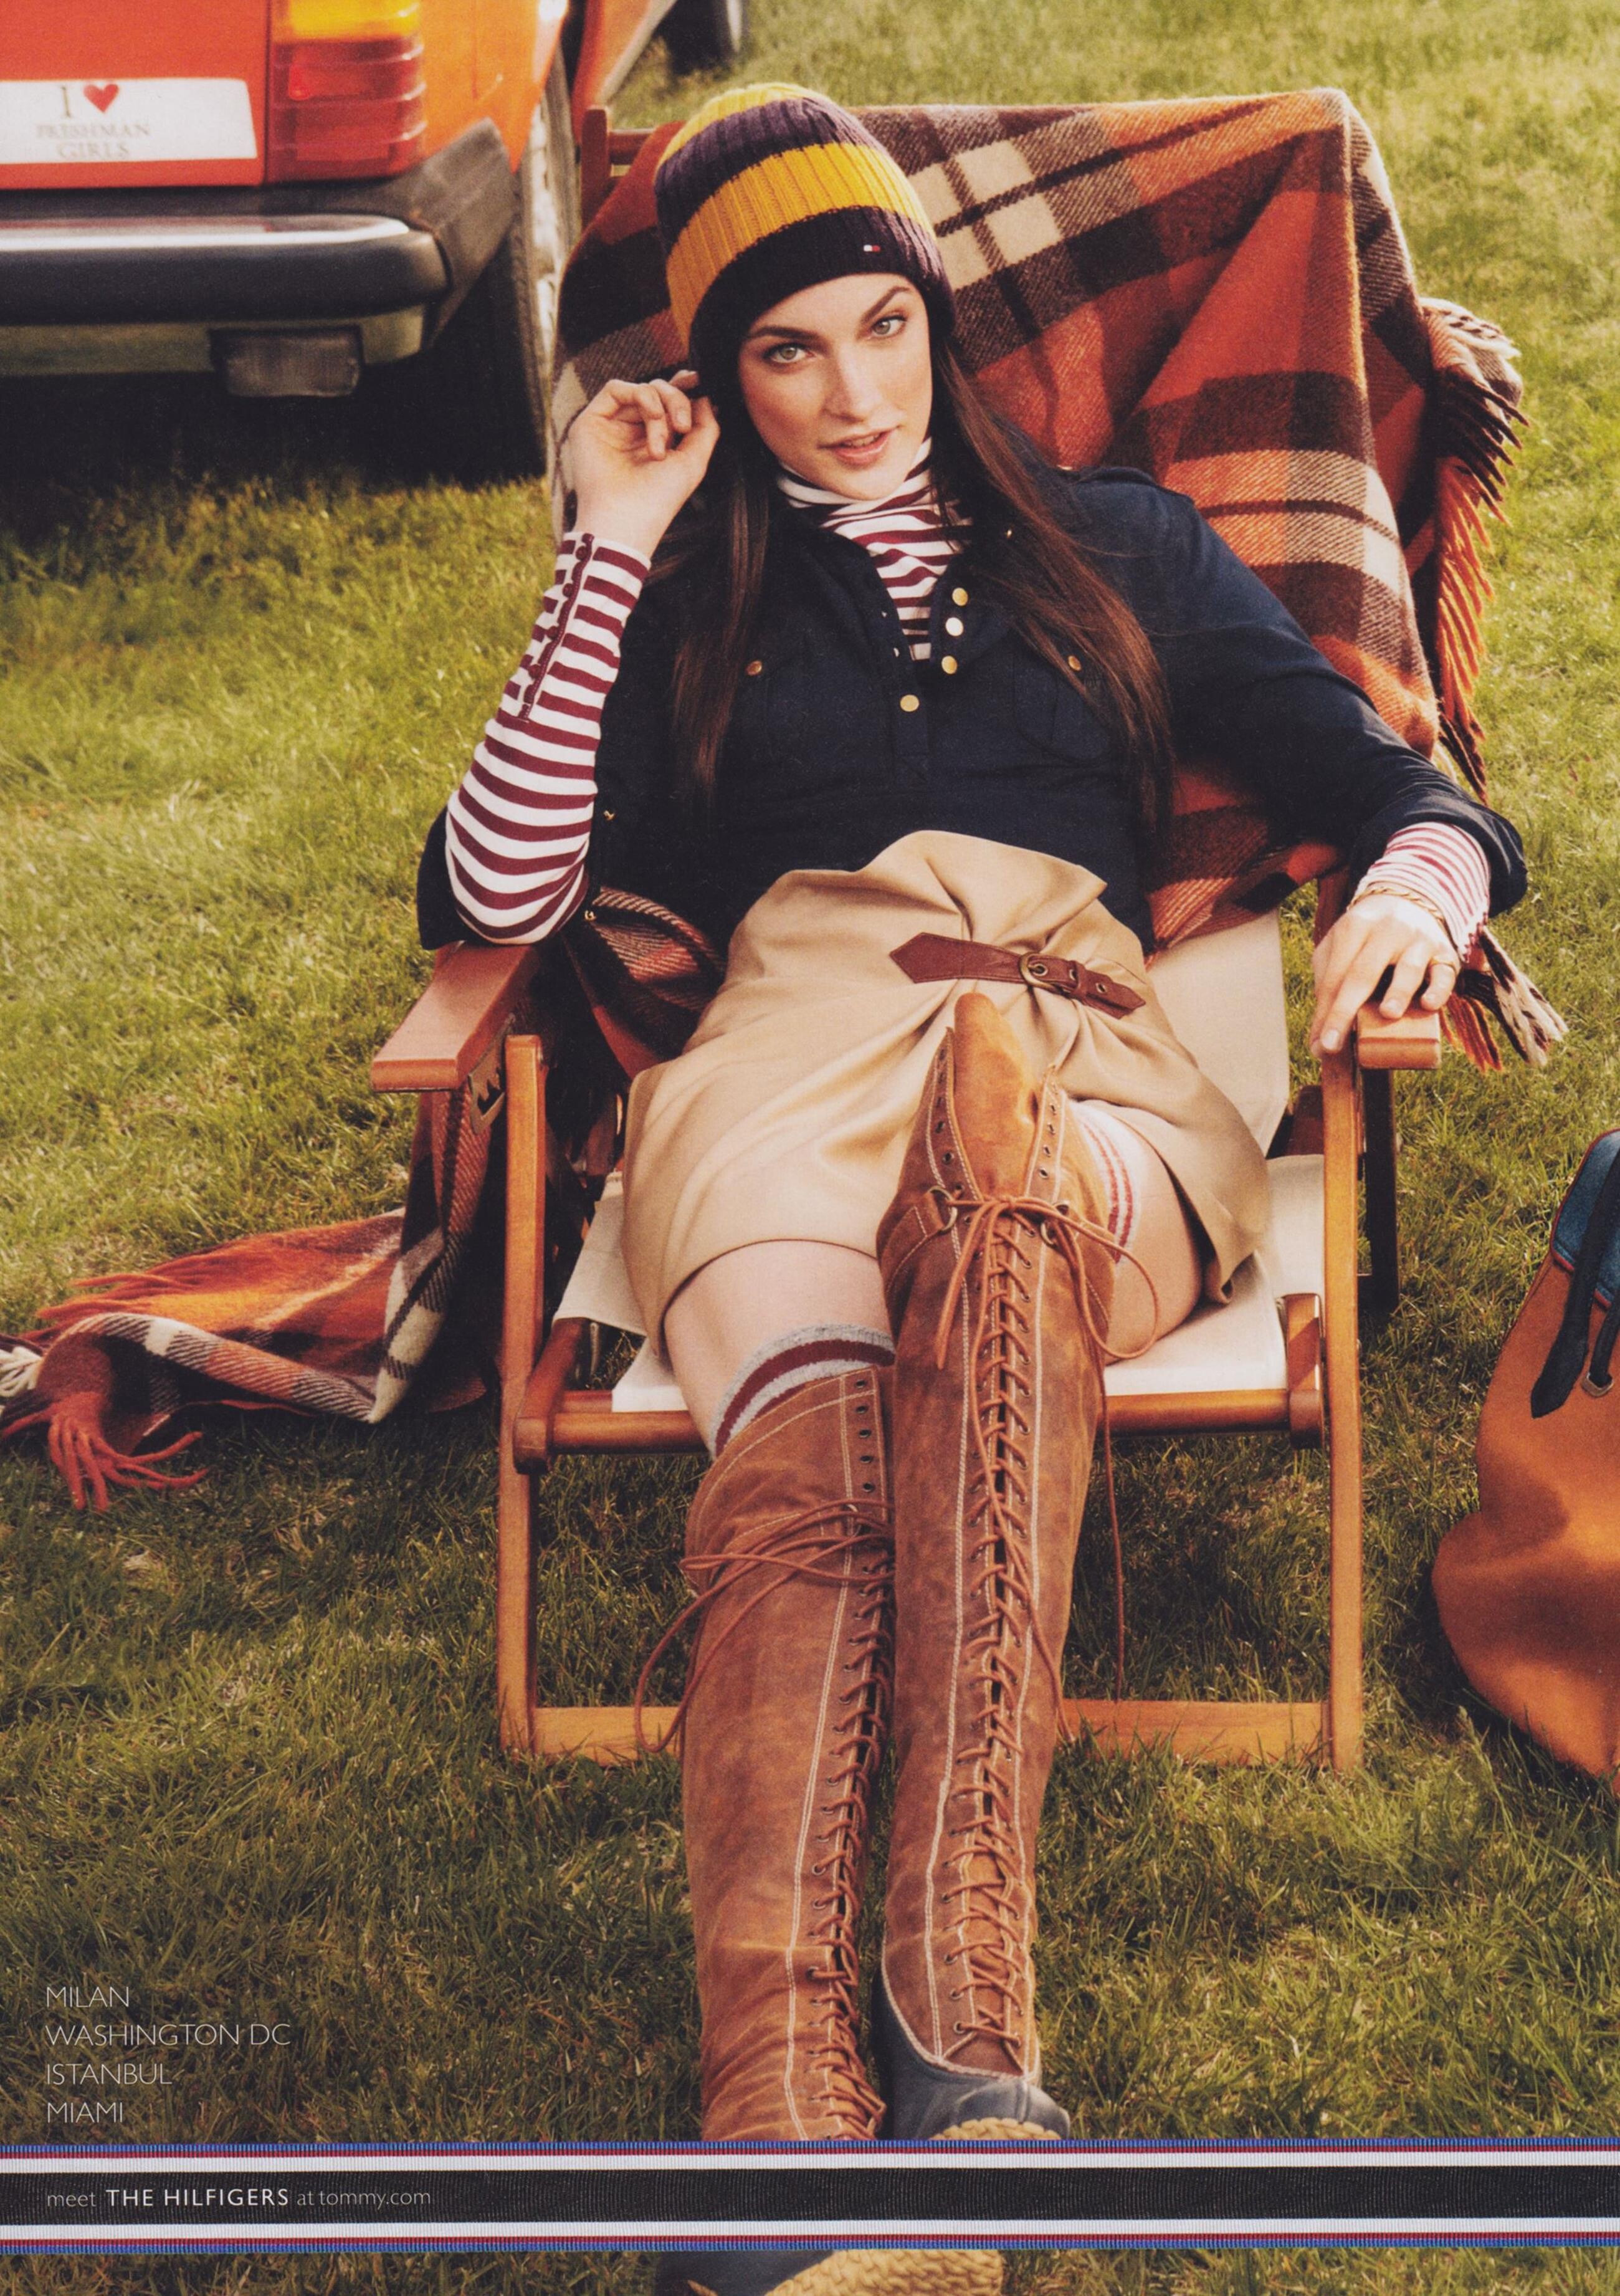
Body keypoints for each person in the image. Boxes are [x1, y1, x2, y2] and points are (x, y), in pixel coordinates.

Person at [416, 84, 1525, 2296]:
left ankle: (953, 2019)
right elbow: (491, 899)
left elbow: (1397, 784)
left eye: (882, 328)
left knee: (1002, 1164)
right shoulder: (687, 593)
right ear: (720, 379)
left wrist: (1421, 881)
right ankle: (803, 2127)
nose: (852, 392)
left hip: (1080, 1054)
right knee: (819, 1439)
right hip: (782, 1069)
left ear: (936, 319)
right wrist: (608, 543)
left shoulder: (1119, 546)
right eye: (787, 351)